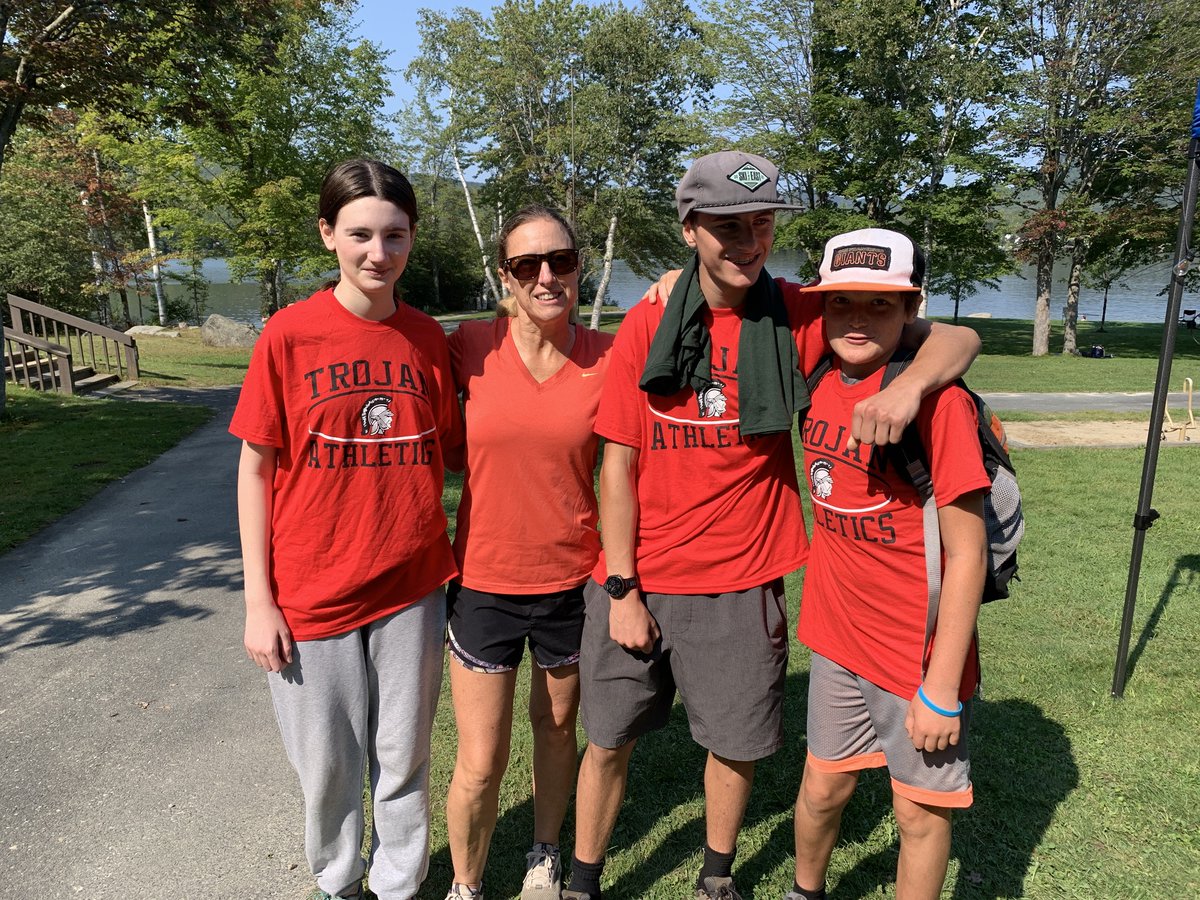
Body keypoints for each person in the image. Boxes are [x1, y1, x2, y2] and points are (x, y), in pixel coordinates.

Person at [562, 151, 981, 900]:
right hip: (640, 576)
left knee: (735, 745)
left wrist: (910, 387)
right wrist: (622, 589)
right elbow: (617, 466)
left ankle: (715, 876)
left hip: (742, 578)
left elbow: (958, 338)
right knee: (608, 739)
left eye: (761, 224)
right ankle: (583, 880)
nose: (749, 241)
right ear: (689, 229)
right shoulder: (650, 320)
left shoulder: (799, 313)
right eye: (727, 226)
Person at [232, 158, 462, 900]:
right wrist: (259, 601)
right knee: (328, 764)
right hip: (311, 587)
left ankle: (398, 885)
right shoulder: (289, 336)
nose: (378, 252)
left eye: (394, 235)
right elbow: (255, 472)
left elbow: (455, 451)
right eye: (360, 234)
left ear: (412, 237)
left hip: (411, 584)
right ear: (328, 234)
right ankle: (340, 882)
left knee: (403, 756)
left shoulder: (427, 339)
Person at [786, 228, 988, 900]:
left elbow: (967, 553)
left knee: (918, 815)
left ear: (911, 308)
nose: (858, 319)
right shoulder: (818, 375)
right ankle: (804, 891)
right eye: (842, 302)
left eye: (880, 304)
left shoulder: (939, 402)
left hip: (915, 653)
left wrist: (941, 688)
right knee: (822, 787)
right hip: (836, 637)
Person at [441, 205, 615, 900]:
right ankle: (466, 884)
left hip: (571, 582)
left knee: (557, 728)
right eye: (527, 265)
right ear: (505, 275)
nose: (546, 277)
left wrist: (673, 281)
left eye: (560, 261)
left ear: (579, 267)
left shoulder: (608, 357)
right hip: (484, 581)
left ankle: (544, 854)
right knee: (480, 760)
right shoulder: (468, 345)